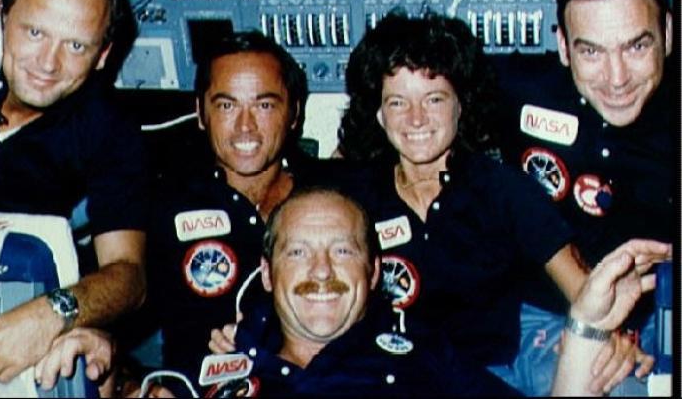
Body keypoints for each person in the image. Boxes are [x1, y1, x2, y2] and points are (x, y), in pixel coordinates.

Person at [36, 188, 672, 397]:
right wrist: (103, 353)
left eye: (342, 252)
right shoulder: (215, 363)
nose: (321, 272)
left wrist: (586, 326)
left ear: (371, 275)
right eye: (297, 253)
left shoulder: (423, 354)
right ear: (266, 272)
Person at [336, 12, 638, 395]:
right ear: (379, 113)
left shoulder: (501, 189)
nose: (416, 119)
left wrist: (614, 337)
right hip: (402, 373)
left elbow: (580, 285)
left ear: (460, 105)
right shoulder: (352, 199)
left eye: (434, 99)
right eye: (398, 103)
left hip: (501, 370)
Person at [0, 0, 149, 383]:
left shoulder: (109, 129)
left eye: (76, 45)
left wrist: (52, 314)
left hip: (16, 286)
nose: (48, 63)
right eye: (35, 32)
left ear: (102, 56)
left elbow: (129, 275)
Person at [493, 0, 674, 389]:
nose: (617, 79)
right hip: (545, 314)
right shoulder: (519, 91)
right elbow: (403, 106)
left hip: (657, 315)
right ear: (563, 46)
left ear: (667, 32)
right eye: (591, 51)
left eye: (636, 46)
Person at [146, 32, 353, 375]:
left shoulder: (341, 196)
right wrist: (128, 381)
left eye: (265, 105)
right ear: (201, 113)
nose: (246, 127)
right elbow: (117, 316)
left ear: (294, 114)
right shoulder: (163, 206)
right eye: (227, 105)